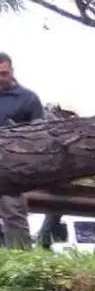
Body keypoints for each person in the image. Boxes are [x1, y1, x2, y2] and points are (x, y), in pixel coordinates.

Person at [0, 52, 44, 249]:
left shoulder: (28, 99)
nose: (0, 79)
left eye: (4, 73)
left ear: (12, 71)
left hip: (11, 170)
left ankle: (21, 264)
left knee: (14, 214)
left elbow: (41, 136)